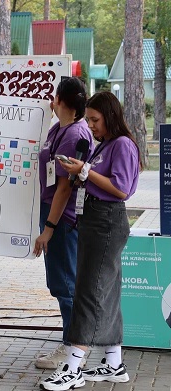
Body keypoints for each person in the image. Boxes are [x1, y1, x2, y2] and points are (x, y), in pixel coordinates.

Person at [39, 91, 140, 390]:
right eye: (89, 119)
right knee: (106, 291)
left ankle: (73, 367)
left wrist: (85, 171)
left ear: (110, 116)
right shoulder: (105, 144)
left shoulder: (122, 144)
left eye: (95, 120)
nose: (91, 126)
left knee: (89, 291)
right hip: (94, 220)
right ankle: (113, 362)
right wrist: (82, 171)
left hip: (107, 221)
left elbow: (121, 188)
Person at [33, 77, 93, 369]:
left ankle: (73, 349)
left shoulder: (74, 134)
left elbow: (64, 187)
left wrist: (49, 229)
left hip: (63, 218)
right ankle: (73, 343)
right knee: (61, 281)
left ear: (61, 99)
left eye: (55, 97)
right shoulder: (61, 127)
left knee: (66, 283)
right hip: (54, 212)